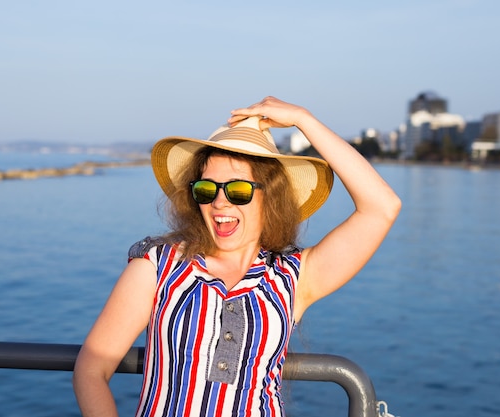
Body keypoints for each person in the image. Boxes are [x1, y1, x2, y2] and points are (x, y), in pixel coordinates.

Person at [73, 96, 401, 417]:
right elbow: (92, 369)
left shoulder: (294, 277)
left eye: (238, 191)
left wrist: (304, 119)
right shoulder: (158, 266)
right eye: (206, 189)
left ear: (268, 197)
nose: (220, 203)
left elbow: (382, 207)